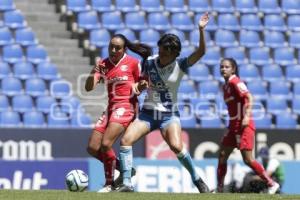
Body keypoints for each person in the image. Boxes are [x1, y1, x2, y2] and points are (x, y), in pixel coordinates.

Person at [115, 12, 210, 193]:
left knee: (176, 146)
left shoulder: (181, 64)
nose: (161, 55)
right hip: (148, 113)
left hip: (168, 115)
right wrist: (140, 85)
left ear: (174, 54)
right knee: (126, 140)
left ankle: (197, 180)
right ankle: (126, 182)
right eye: (159, 50)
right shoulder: (150, 62)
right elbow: (140, 83)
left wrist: (201, 30)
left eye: (165, 53)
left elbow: (201, 52)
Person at [85, 34, 152, 192]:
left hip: (127, 106)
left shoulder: (133, 63)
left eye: (117, 48)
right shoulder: (103, 64)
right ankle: (125, 168)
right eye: (111, 47)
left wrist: (141, 85)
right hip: (110, 108)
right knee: (93, 147)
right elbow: (88, 87)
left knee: (106, 144)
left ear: (124, 49)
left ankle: (109, 184)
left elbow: (142, 84)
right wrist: (93, 71)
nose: (113, 50)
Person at [216, 58, 280, 194]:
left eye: (227, 67)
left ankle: (271, 184)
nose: (223, 69)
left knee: (248, 159)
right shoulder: (225, 86)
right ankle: (220, 189)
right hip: (232, 126)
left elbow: (249, 97)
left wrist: (246, 116)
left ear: (233, 69)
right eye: (221, 67)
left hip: (244, 125)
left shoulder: (235, 81)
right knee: (222, 155)